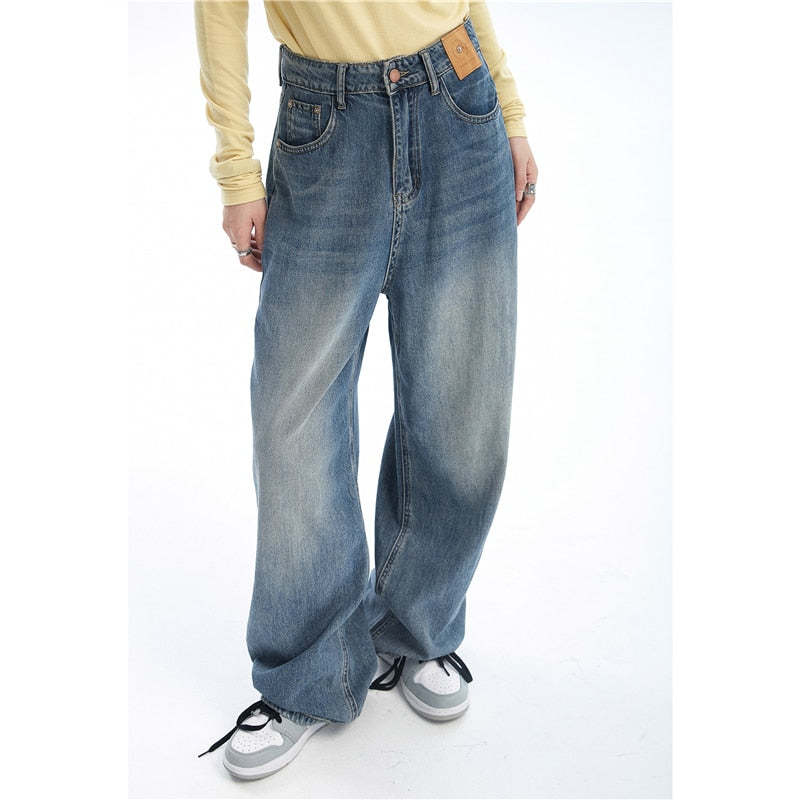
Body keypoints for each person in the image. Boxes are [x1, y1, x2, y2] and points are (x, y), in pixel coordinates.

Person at [194, 0, 538, 780]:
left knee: (462, 409)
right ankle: (307, 677)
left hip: (458, 104)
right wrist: (236, 170)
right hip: (326, 127)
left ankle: (418, 628)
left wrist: (511, 113)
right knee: (294, 425)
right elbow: (218, 12)